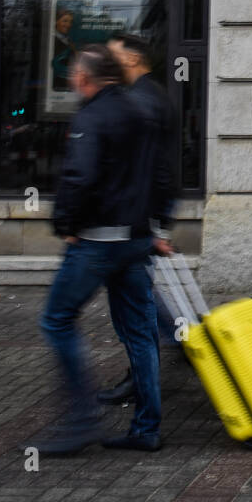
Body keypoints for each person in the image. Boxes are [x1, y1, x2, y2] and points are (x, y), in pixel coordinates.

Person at [32, 45, 165, 454]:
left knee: (57, 320)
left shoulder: (90, 117)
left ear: (85, 78)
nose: (72, 79)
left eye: (74, 73)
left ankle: (81, 422)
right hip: (135, 240)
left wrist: (66, 223)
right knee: (142, 335)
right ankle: (146, 429)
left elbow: (80, 177)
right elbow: (158, 174)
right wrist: (154, 227)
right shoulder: (140, 112)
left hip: (97, 242)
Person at [96, 33, 179, 406]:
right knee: (137, 294)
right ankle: (171, 342)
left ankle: (146, 372)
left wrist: (152, 222)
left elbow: (150, 167)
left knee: (132, 301)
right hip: (141, 218)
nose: (107, 65)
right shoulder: (150, 95)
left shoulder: (141, 101)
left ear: (131, 60)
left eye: (112, 57)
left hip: (135, 221)